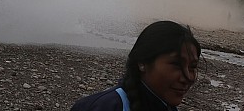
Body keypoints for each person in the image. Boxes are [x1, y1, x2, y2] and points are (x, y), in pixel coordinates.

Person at [70, 20, 201, 111]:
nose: (188, 78)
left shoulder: (166, 105)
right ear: (142, 63)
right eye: (176, 64)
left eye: (192, 66)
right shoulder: (104, 106)